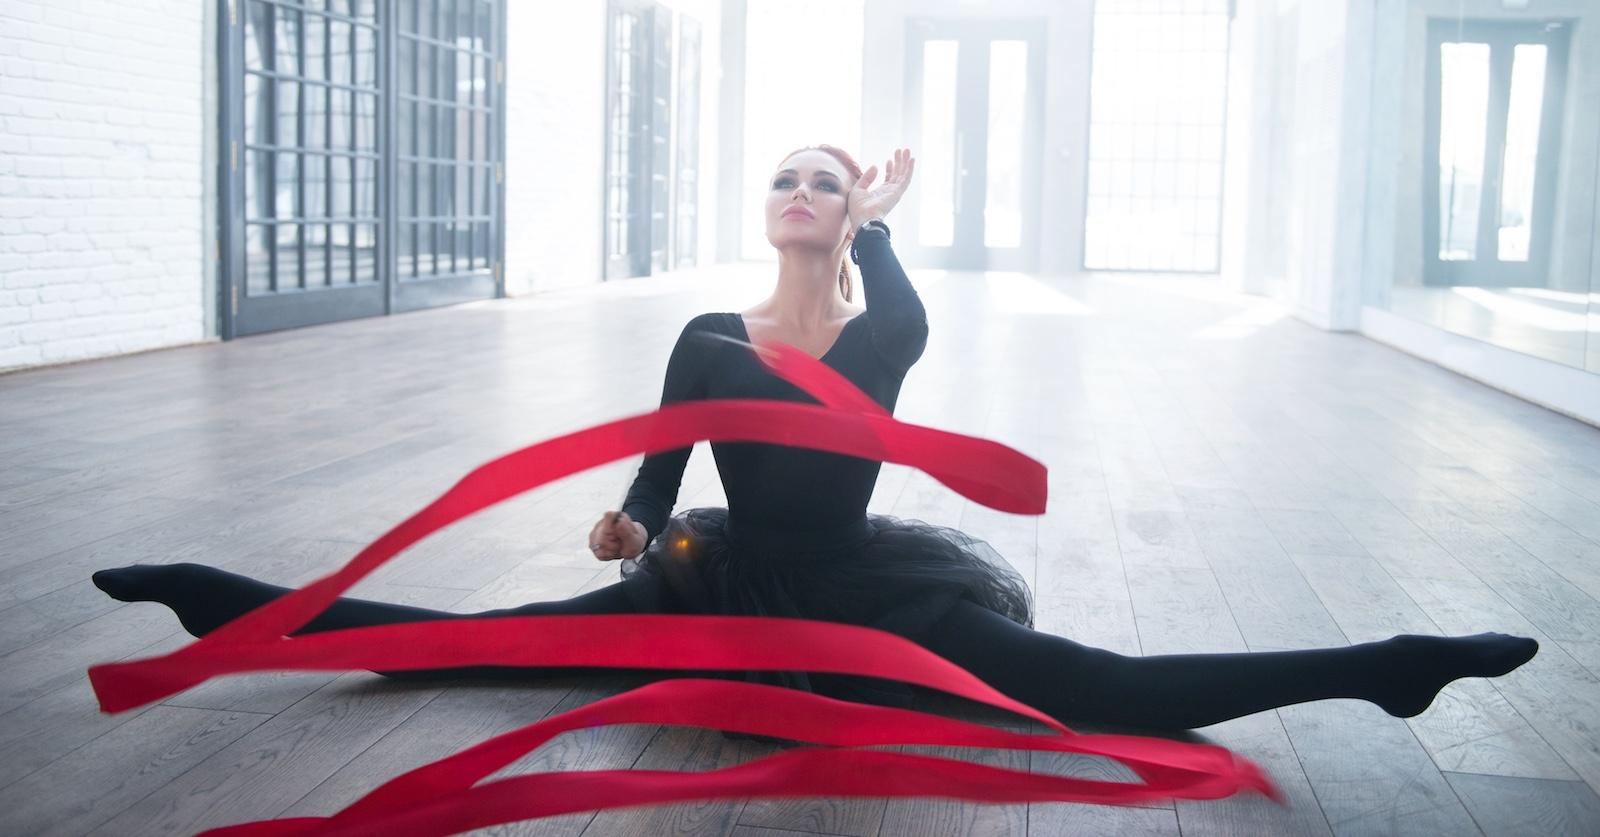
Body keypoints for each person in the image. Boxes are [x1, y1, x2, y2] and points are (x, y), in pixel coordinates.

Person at [93, 145, 1538, 732]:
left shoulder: (881, 335)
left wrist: (881, 217)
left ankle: (1384, 668)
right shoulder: (706, 337)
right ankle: (223, 603)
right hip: (712, 582)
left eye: (824, 183)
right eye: (785, 176)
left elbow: (899, 302)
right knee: (470, 644)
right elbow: (653, 487)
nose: (798, 190)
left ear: (848, 218)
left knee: (1092, 693)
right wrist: (625, 527)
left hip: (867, 597)